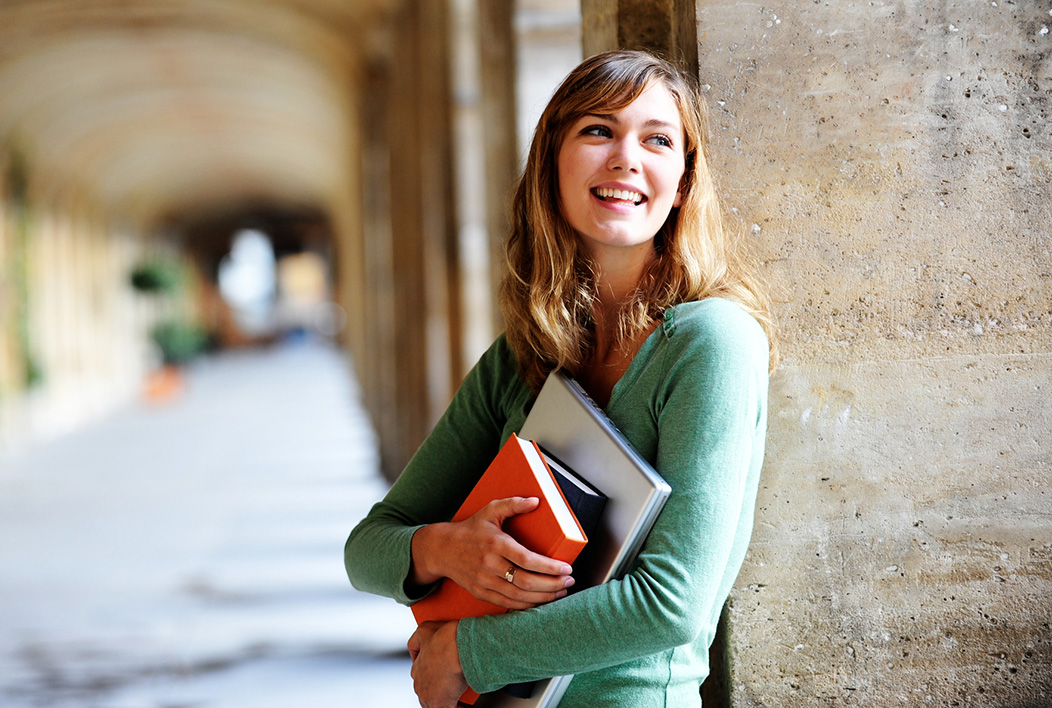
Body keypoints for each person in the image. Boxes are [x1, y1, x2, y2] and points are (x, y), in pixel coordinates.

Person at [345, 49, 776, 708]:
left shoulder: (710, 343)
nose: (627, 157)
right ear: (551, 162)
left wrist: (467, 653)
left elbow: (672, 605)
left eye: (657, 140)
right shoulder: (523, 354)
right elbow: (367, 548)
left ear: (685, 183)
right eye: (598, 130)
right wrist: (445, 551)